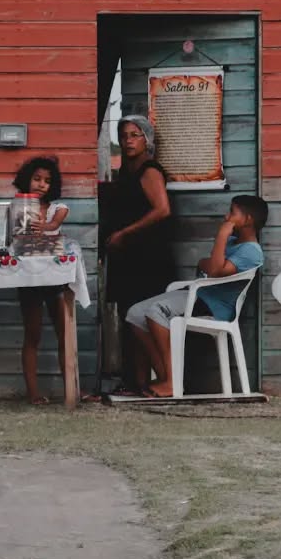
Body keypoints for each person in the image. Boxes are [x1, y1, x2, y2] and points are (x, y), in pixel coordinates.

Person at [124, 195, 268, 398]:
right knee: (135, 313)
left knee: (156, 311)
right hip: (200, 296)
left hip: (214, 306)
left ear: (248, 220)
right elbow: (206, 264)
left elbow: (214, 269)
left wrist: (221, 235)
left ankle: (172, 382)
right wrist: (214, 262)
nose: (226, 217)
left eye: (232, 212)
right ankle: (151, 381)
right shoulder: (234, 243)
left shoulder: (251, 251)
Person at [103, 115, 175, 395]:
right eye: (124, 136)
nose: (128, 141)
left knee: (140, 318)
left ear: (147, 140)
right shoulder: (126, 172)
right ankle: (137, 383)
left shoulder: (149, 170)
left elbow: (162, 209)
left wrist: (124, 233)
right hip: (128, 257)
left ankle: (160, 379)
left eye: (135, 135)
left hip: (148, 256)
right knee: (128, 318)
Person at [11, 156, 70, 404]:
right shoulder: (17, 208)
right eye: (37, 179)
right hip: (29, 278)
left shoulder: (58, 208)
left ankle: (71, 390)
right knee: (32, 335)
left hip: (54, 279)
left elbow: (54, 224)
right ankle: (33, 393)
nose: (41, 184)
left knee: (64, 334)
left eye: (47, 181)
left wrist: (43, 226)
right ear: (27, 179)